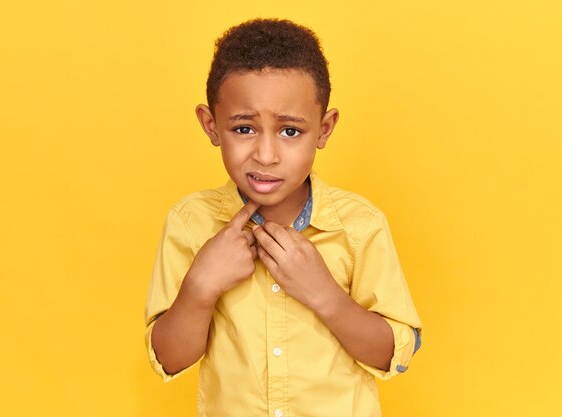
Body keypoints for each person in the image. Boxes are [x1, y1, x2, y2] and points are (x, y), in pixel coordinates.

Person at [144, 18, 422, 417]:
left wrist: (323, 293)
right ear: (211, 125)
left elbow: (393, 356)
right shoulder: (191, 223)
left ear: (323, 130)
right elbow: (170, 359)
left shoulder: (360, 226)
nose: (266, 154)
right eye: (244, 128)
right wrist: (200, 287)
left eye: (290, 132)